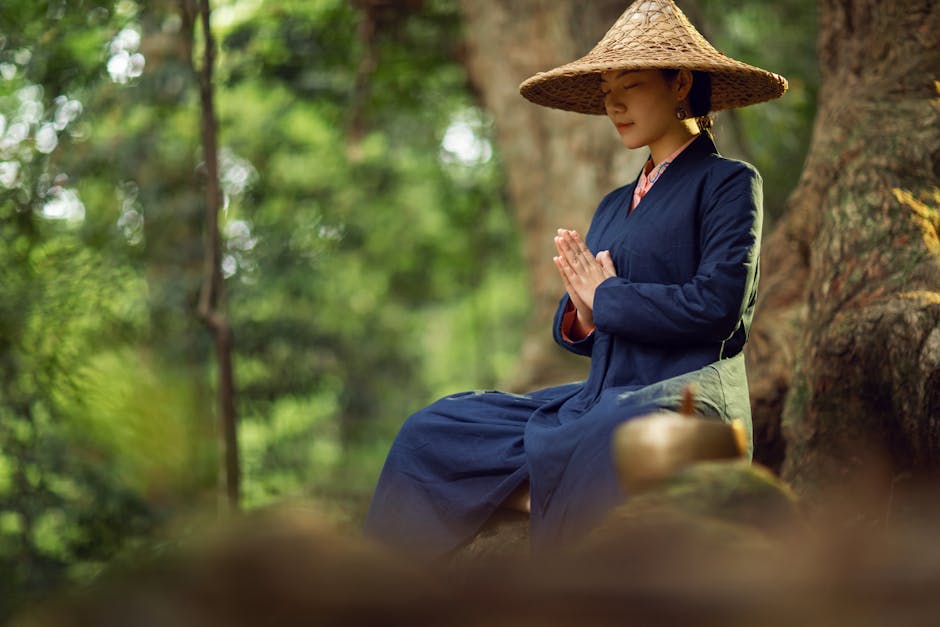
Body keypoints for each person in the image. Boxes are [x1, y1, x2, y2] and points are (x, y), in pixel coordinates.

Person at [363, 0, 787, 558]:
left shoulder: (729, 183)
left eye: (630, 85)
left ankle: (547, 506)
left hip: (685, 395)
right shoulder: (614, 204)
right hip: (602, 393)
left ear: (680, 81)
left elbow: (717, 307)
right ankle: (382, 589)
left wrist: (607, 298)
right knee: (436, 427)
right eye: (607, 90)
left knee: (613, 436)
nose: (613, 104)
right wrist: (584, 317)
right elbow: (595, 319)